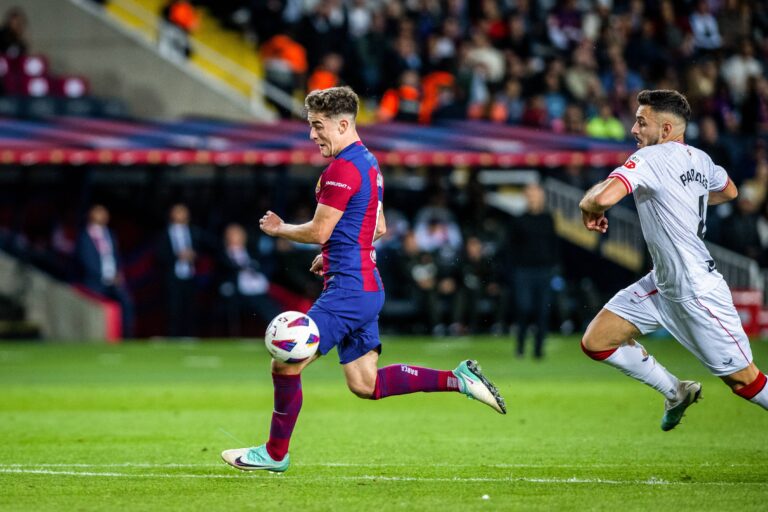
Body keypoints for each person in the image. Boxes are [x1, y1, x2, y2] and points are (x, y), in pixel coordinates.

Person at [221, 86, 506, 473]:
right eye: (310, 126)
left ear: (342, 124)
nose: (312, 135)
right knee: (365, 384)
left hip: (349, 290)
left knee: (286, 362)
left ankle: (274, 454)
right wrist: (336, 251)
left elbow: (320, 229)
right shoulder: (368, 162)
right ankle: (459, 379)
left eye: (317, 126)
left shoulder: (342, 168)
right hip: (365, 285)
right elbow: (379, 225)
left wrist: (280, 229)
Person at [578, 89, 767, 433]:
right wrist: (684, 197)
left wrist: (586, 204)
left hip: (697, 291)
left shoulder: (651, 159)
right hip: (663, 285)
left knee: (746, 382)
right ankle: (675, 391)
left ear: (665, 131)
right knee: (597, 340)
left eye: (641, 122)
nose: (634, 130)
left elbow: (603, 197)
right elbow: (730, 191)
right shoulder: (700, 159)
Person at [506, 182, 559, 359]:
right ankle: (520, 346)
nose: (534, 198)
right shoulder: (519, 220)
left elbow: (554, 246)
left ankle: (538, 350)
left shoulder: (548, 219)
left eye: (537, 194)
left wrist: (555, 268)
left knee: (542, 311)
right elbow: (511, 248)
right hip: (523, 272)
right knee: (524, 308)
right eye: (531, 194)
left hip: (544, 271)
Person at [75, 204, 134, 339]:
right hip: (95, 282)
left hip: (114, 280)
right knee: (97, 311)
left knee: (126, 303)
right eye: (99, 212)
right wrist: (103, 276)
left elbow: (116, 256)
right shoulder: (84, 236)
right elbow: (86, 260)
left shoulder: (110, 234)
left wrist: (118, 273)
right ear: (90, 215)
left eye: (104, 212)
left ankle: (126, 337)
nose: (103, 215)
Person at [217, 223, 281, 336]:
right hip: (239, 290)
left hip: (258, 288)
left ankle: (278, 329)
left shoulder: (251, 252)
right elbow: (224, 271)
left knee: (271, 305)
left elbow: (260, 266)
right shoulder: (223, 254)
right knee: (260, 303)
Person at [157, 203, 200, 338]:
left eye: (183, 211)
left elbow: (205, 249)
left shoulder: (194, 232)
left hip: (189, 274)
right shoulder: (164, 233)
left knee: (189, 307)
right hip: (172, 276)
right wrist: (177, 256)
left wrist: (193, 255)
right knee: (173, 308)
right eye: (178, 211)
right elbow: (159, 255)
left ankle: (189, 336)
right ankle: (173, 336)